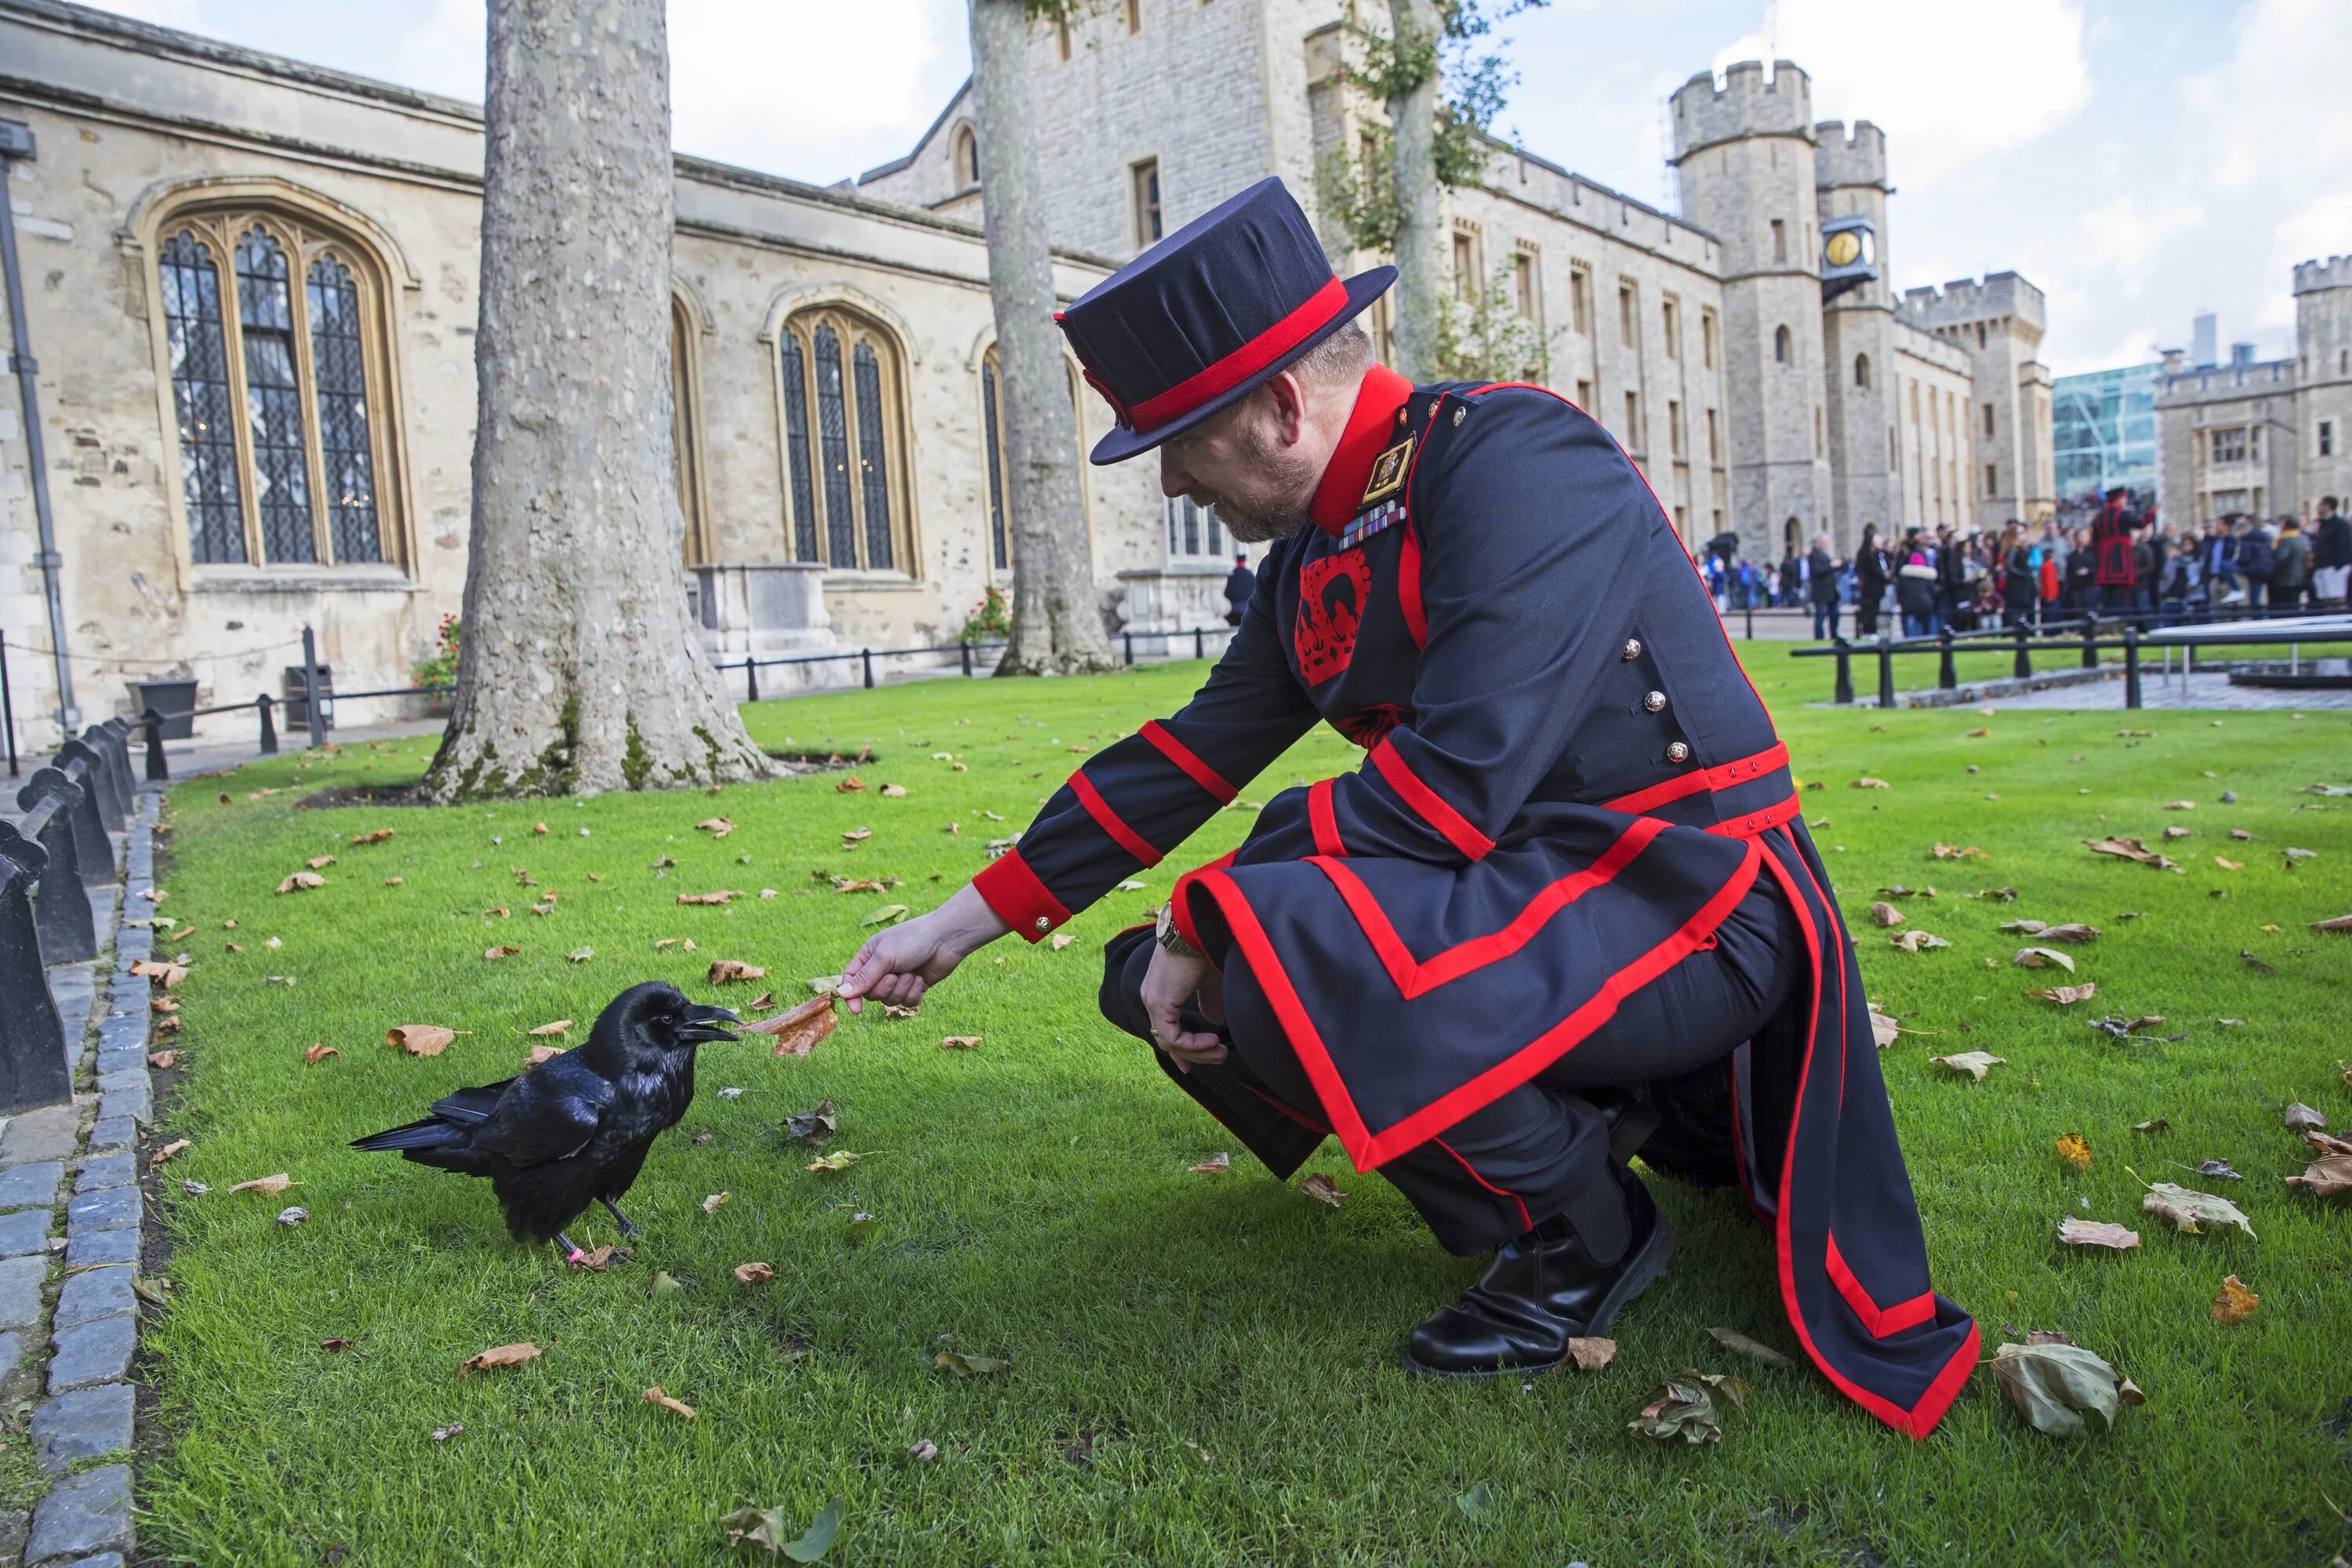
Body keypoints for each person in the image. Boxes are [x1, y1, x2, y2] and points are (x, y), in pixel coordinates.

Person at [836, 178, 1973, 1438]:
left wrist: (1204, 917)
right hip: (1534, 902)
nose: (1168, 483)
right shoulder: (1310, 556)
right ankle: (1577, 1136)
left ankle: (1586, 1227)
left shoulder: (1518, 457)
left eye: (1178, 441)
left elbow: (1453, 785)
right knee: (1172, 983)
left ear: (1278, 408)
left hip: (1693, 902)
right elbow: (1181, 756)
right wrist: (956, 926)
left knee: (1269, 952)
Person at [2091, 486, 2140, 614]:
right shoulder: (2122, 515)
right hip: (2121, 563)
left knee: (2108, 600)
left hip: (2105, 565)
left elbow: (2095, 545)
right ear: (2118, 499)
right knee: (2123, 600)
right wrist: (2153, 512)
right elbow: (2140, 523)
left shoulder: (2098, 518)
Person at [2312, 496, 2351, 612]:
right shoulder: (2323, 524)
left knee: (2337, 598)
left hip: (2335, 567)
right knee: (2326, 599)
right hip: (2322, 566)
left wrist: (2340, 565)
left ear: (2328, 506)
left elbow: (2345, 546)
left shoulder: (2341, 525)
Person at [1896, 532, 1939, 638]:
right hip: (1926, 605)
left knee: (1911, 632)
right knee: (1927, 630)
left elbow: (1900, 592)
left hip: (1909, 606)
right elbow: (1932, 591)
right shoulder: (1927, 578)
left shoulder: (1905, 578)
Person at [1854, 523, 1889, 637]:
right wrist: (1886, 577)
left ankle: (1872, 630)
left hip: (1877, 587)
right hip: (1870, 587)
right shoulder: (1868, 556)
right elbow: (1875, 571)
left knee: (1875, 610)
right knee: (1870, 610)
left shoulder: (1878, 554)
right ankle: (1868, 631)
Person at [2270, 517, 2311, 613]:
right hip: (2300, 576)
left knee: (2286, 606)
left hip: (2286, 578)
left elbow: (2281, 558)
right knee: (2295, 603)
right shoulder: (2302, 538)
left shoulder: (2285, 540)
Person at [2237, 516, 2274, 617]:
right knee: (2259, 598)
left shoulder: (2247, 539)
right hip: (2265, 569)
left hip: (2253, 570)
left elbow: (2244, 558)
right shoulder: (2265, 537)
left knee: (2254, 600)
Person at [2000, 523, 2034, 630]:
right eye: (2020, 533)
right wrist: (2024, 574)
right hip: (2016, 585)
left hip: (2022, 584)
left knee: (2022, 611)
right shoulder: (2012, 549)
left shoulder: (2020, 548)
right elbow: (2009, 567)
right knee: (2016, 612)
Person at [1806, 533, 1840, 640]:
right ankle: (1819, 637)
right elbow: (1818, 571)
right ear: (1818, 543)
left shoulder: (1824, 554)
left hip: (1831, 591)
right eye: (1824, 542)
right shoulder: (1814, 555)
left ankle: (1834, 635)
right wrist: (1831, 566)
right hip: (1821, 592)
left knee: (1835, 614)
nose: (1826, 544)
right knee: (1821, 615)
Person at [1223, 552, 1256, 628]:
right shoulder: (1250, 574)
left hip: (1232, 609)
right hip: (1246, 608)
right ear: (1244, 561)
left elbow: (1227, 593)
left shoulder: (1231, 574)